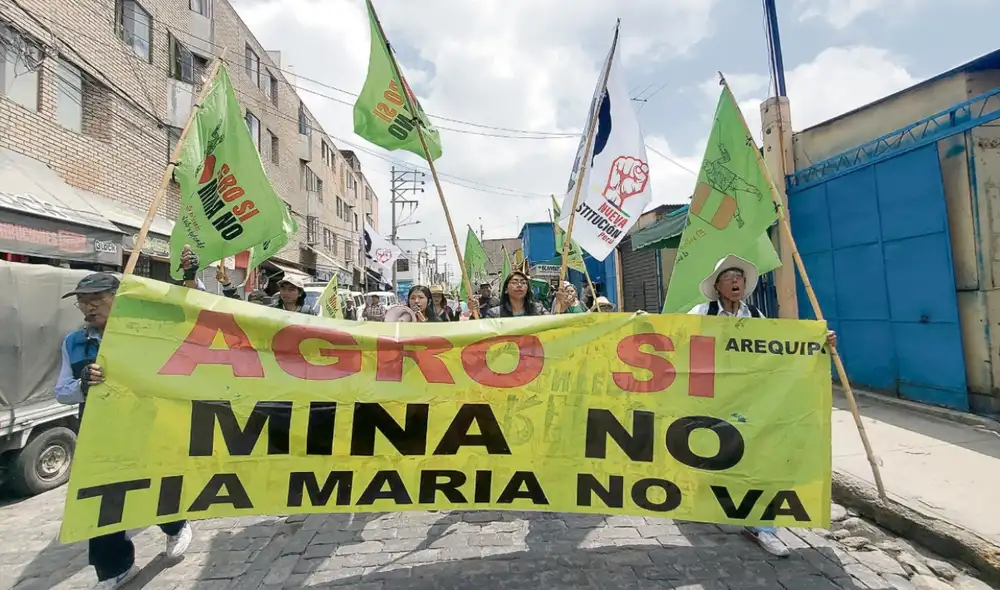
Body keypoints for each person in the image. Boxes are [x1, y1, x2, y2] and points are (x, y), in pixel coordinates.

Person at [55, 250, 202, 588]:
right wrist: (82, 385)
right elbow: (61, 391)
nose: (89, 307)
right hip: (100, 436)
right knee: (101, 503)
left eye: (96, 299)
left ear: (117, 299)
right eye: (82, 302)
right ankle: (115, 568)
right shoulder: (73, 342)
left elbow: (191, 317)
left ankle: (175, 525)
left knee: (153, 486)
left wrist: (190, 274)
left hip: (149, 427)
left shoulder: (145, 332)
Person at [688, 254, 837, 558]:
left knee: (759, 459)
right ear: (717, 286)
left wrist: (818, 342)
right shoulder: (701, 313)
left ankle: (762, 526)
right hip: (712, 398)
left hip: (752, 401)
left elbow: (784, 349)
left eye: (739, 277)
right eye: (728, 277)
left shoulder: (757, 316)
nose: (735, 282)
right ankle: (707, 499)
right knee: (713, 455)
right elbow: (677, 340)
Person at [472, 271, 547, 318]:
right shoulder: (494, 314)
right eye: (514, 282)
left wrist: (559, 304)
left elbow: (555, 327)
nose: (519, 285)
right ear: (506, 290)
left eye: (523, 282)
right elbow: (482, 335)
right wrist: (475, 313)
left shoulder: (539, 310)